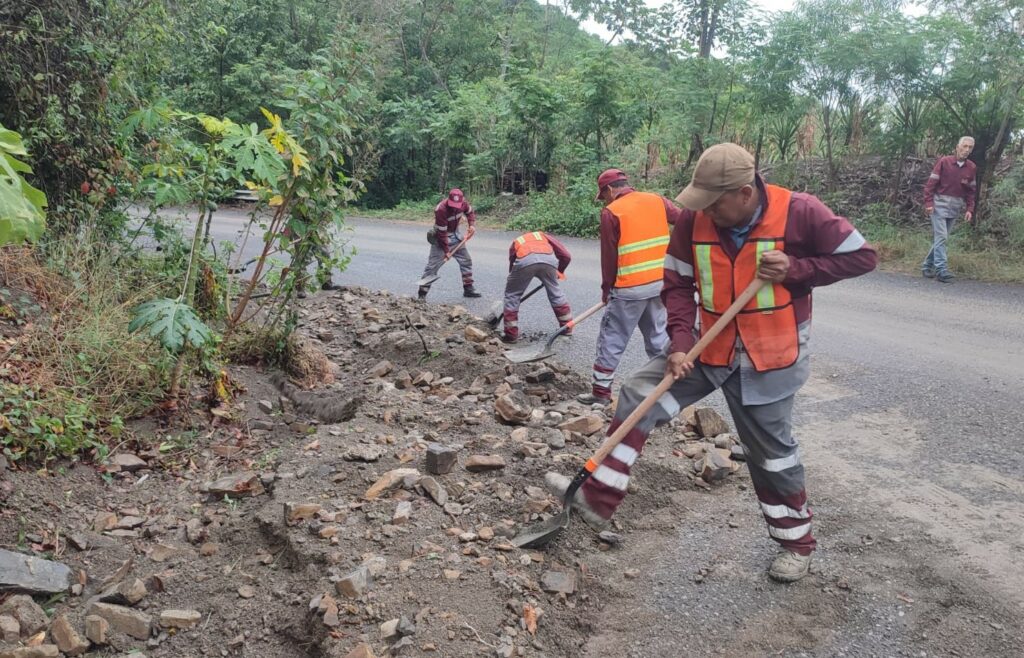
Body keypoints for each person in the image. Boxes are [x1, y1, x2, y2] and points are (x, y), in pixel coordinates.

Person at [547, 144, 877, 583]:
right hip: (709, 346)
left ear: (744, 193)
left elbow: (862, 257)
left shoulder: (799, 212)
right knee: (639, 394)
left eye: (714, 203)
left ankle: (796, 543)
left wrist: (797, 268)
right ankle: (596, 499)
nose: (704, 211)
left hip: (768, 356)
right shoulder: (694, 219)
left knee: (771, 455)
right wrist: (680, 342)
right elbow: (677, 284)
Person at [577, 169, 683, 406]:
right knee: (658, 337)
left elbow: (609, 257)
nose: (604, 201)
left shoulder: (612, 212)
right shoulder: (657, 200)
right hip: (660, 284)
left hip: (629, 289)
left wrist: (607, 289)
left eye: (603, 196)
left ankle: (600, 392)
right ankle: (665, 389)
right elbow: (684, 220)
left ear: (609, 189)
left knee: (612, 337)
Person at [500, 231, 572, 344]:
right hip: (548, 261)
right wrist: (559, 272)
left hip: (525, 262)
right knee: (556, 293)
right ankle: (567, 328)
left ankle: (511, 334)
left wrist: (515, 282)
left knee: (512, 295)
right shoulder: (542, 236)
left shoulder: (517, 241)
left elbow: (512, 263)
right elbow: (566, 256)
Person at [922, 136, 976, 283]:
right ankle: (941, 270)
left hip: (955, 207)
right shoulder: (944, 162)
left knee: (941, 238)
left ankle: (927, 266)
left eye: (970, 147)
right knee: (942, 237)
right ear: (957, 147)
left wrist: (969, 209)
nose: (967, 150)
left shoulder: (971, 167)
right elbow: (930, 184)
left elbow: (971, 191)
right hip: (938, 206)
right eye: (964, 146)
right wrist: (928, 203)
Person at [418, 188, 482, 299]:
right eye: (452, 205)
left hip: (456, 235)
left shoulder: (464, 203)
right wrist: (447, 251)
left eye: (457, 205)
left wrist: (471, 225)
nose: (454, 207)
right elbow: (442, 233)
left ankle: (468, 288)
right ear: (448, 200)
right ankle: (422, 294)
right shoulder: (441, 209)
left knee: (466, 260)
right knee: (432, 267)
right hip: (441, 239)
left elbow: (470, 212)